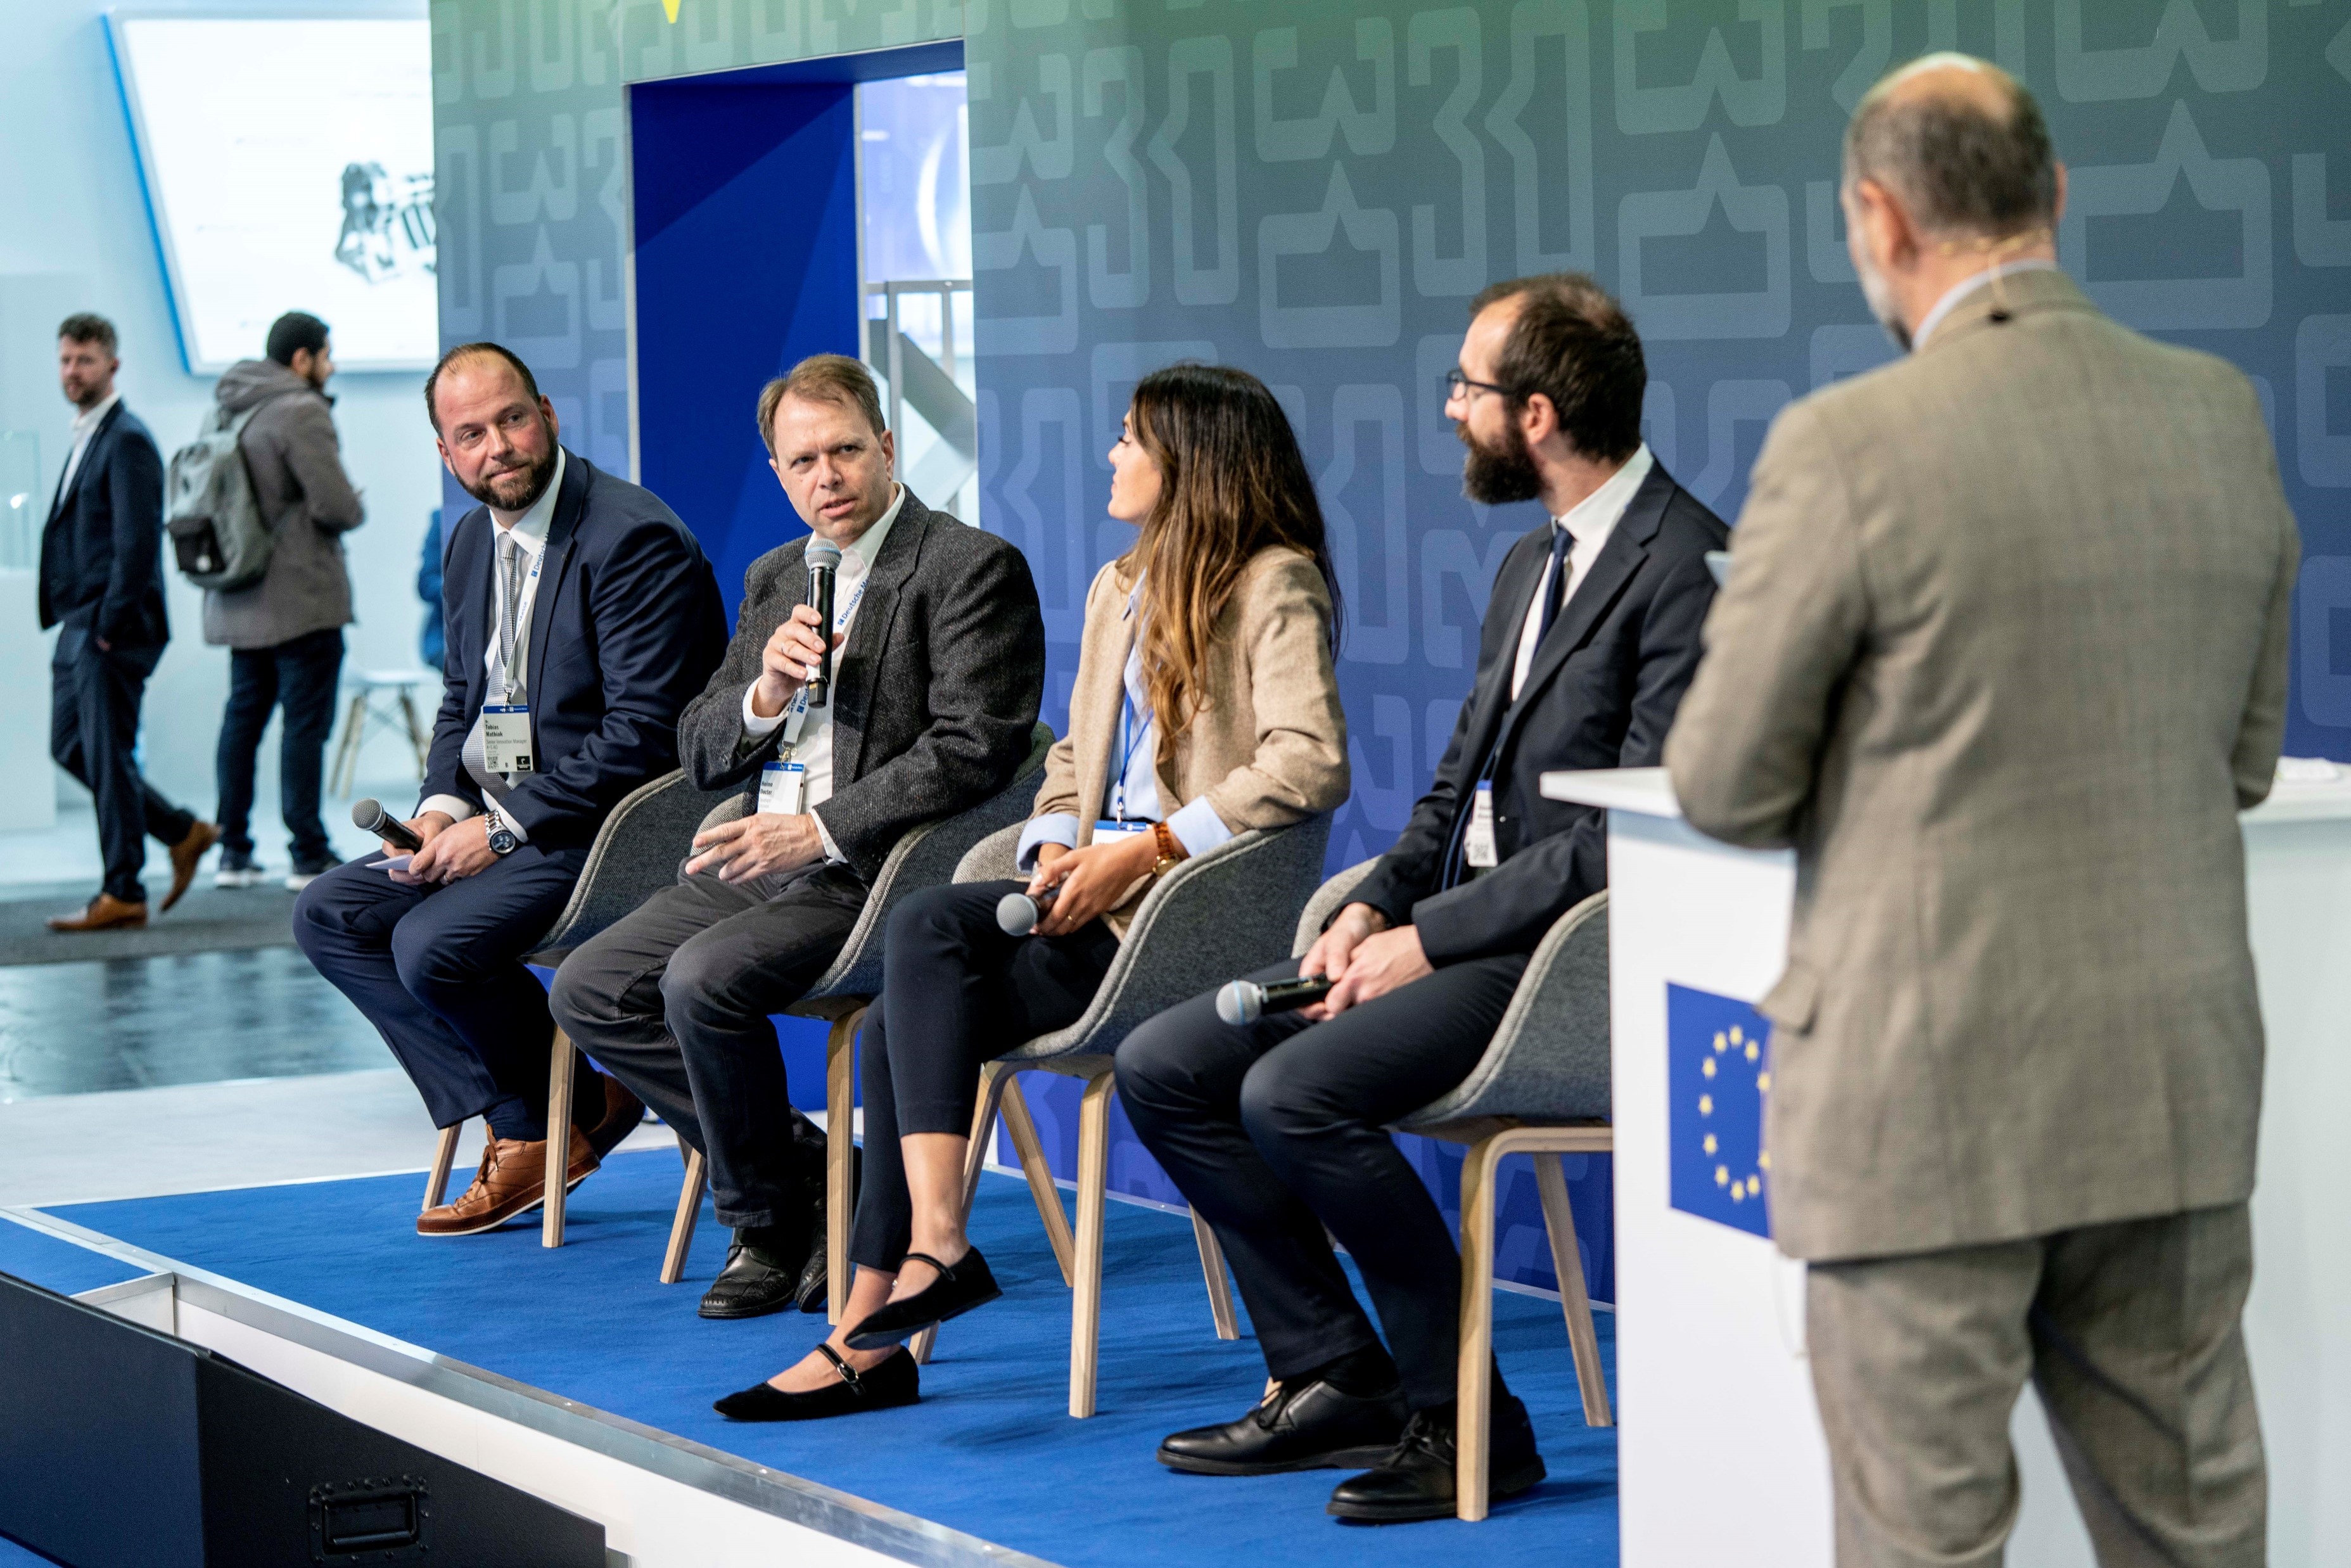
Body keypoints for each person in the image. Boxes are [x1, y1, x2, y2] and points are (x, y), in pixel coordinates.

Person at [1664, 56, 2292, 1567]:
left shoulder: (1845, 445)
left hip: (1917, 1100)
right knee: (2198, 1536)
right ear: (2055, 198)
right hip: (2167, 1091)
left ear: (1879, 217)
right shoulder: (2217, 414)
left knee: (1923, 1546)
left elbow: (1722, 782)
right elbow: (2244, 762)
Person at [1116, 276, 1727, 1522]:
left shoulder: (1684, 567)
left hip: (1560, 956)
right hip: (1456, 934)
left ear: (1539, 414)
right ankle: (1334, 1370)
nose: (1451, 408)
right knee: (1170, 1060)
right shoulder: (1527, 564)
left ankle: (1471, 1424)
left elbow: (1634, 833)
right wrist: (1373, 903)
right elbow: (1453, 790)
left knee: (1295, 1089)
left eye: (1467, 388)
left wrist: (1424, 938)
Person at [712, 362, 1351, 1423]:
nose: (1112, 456)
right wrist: (1057, 843)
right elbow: (1068, 766)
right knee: (894, 1014)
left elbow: (1307, 762)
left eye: (1130, 441)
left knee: (917, 944)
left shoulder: (1274, 580)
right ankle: (880, 1326)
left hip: (1178, 918)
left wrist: (1142, 851)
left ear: (1190, 463)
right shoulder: (1119, 584)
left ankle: (921, 1271)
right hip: (1088, 900)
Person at [550, 355, 1045, 1320]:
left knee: (700, 980)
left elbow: (973, 749)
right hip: (764, 855)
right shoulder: (777, 575)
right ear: (778, 474)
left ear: (888, 447)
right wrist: (763, 694)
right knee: (590, 987)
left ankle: (765, 1221)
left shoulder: (966, 565)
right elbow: (698, 746)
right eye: (803, 460)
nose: (828, 476)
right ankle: (826, 1182)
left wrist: (817, 830)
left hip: (880, 871)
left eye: (846, 450)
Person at [294, 342, 728, 1237]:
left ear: (549, 418)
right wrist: (439, 812)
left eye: (512, 419)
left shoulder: (630, 537)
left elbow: (645, 736)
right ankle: (550, 1110)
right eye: (470, 434)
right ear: (445, 454)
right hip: (506, 822)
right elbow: (464, 700)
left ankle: (537, 1126)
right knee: (329, 912)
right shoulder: (468, 543)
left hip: (609, 830)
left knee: (429, 944)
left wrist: (499, 831)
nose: (498, 446)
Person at [39, 313, 218, 933]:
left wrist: (108, 624)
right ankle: (180, 829)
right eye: (66, 360)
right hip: (79, 623)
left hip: (107, 626)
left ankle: (123, 890)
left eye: (85, 360)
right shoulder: (92, 434)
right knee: (70, 747)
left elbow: (137, 545)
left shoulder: (128, 438)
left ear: (111, 365)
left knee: (107, 754)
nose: (73, 371)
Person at [207, 311, 366, 892]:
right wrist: (353, 504)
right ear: (302, 359)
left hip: (239, 595)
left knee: (242, 721)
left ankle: (233, 851)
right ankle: (307, 851)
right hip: (301, 598)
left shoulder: (230, 404)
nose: (332, 365)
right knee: (305, 724)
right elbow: (337, 506)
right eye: (326, 354)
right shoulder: (301, 410)